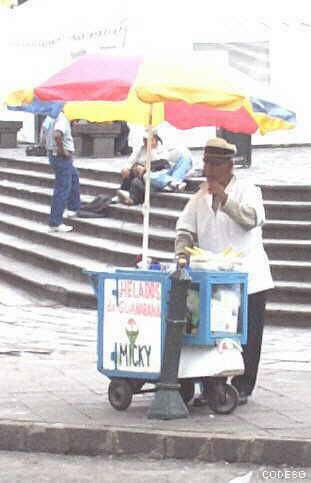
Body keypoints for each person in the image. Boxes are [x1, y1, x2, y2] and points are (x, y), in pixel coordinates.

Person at [175, 137, 274, 405]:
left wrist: (225, 198)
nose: (209, 169)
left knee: (248, 335)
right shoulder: (199, 196)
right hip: (213, 277)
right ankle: (212, 383)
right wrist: (183, 253)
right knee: (215, 333)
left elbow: (251, 219)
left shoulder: (247, 189)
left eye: (215, 164)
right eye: (206, 162)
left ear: (229, 166)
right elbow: (185, 228)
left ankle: (243, 384)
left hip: (249, 275)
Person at [116, 129, 192, 205]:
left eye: (148, 140)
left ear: (155, 140)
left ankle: (171, 183)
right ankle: (173, 184)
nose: (146, 142)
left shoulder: (162, 149)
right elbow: (130, 161)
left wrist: (146, 168)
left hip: (162, 174)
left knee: (185, 157)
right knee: (144, 176)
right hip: (149, 177)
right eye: (144, 140)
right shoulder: (140, 149)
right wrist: (126, 168)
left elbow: (164, 163)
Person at [44, 112, 81, 232]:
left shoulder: (51, 116)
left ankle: (73, 208)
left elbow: (44, 133)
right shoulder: (63, 118)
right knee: (62, 187)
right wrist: (62, 150)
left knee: (74, 176)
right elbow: (57, 135)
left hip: (53, 154)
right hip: (61, 157)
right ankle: (55, 222)